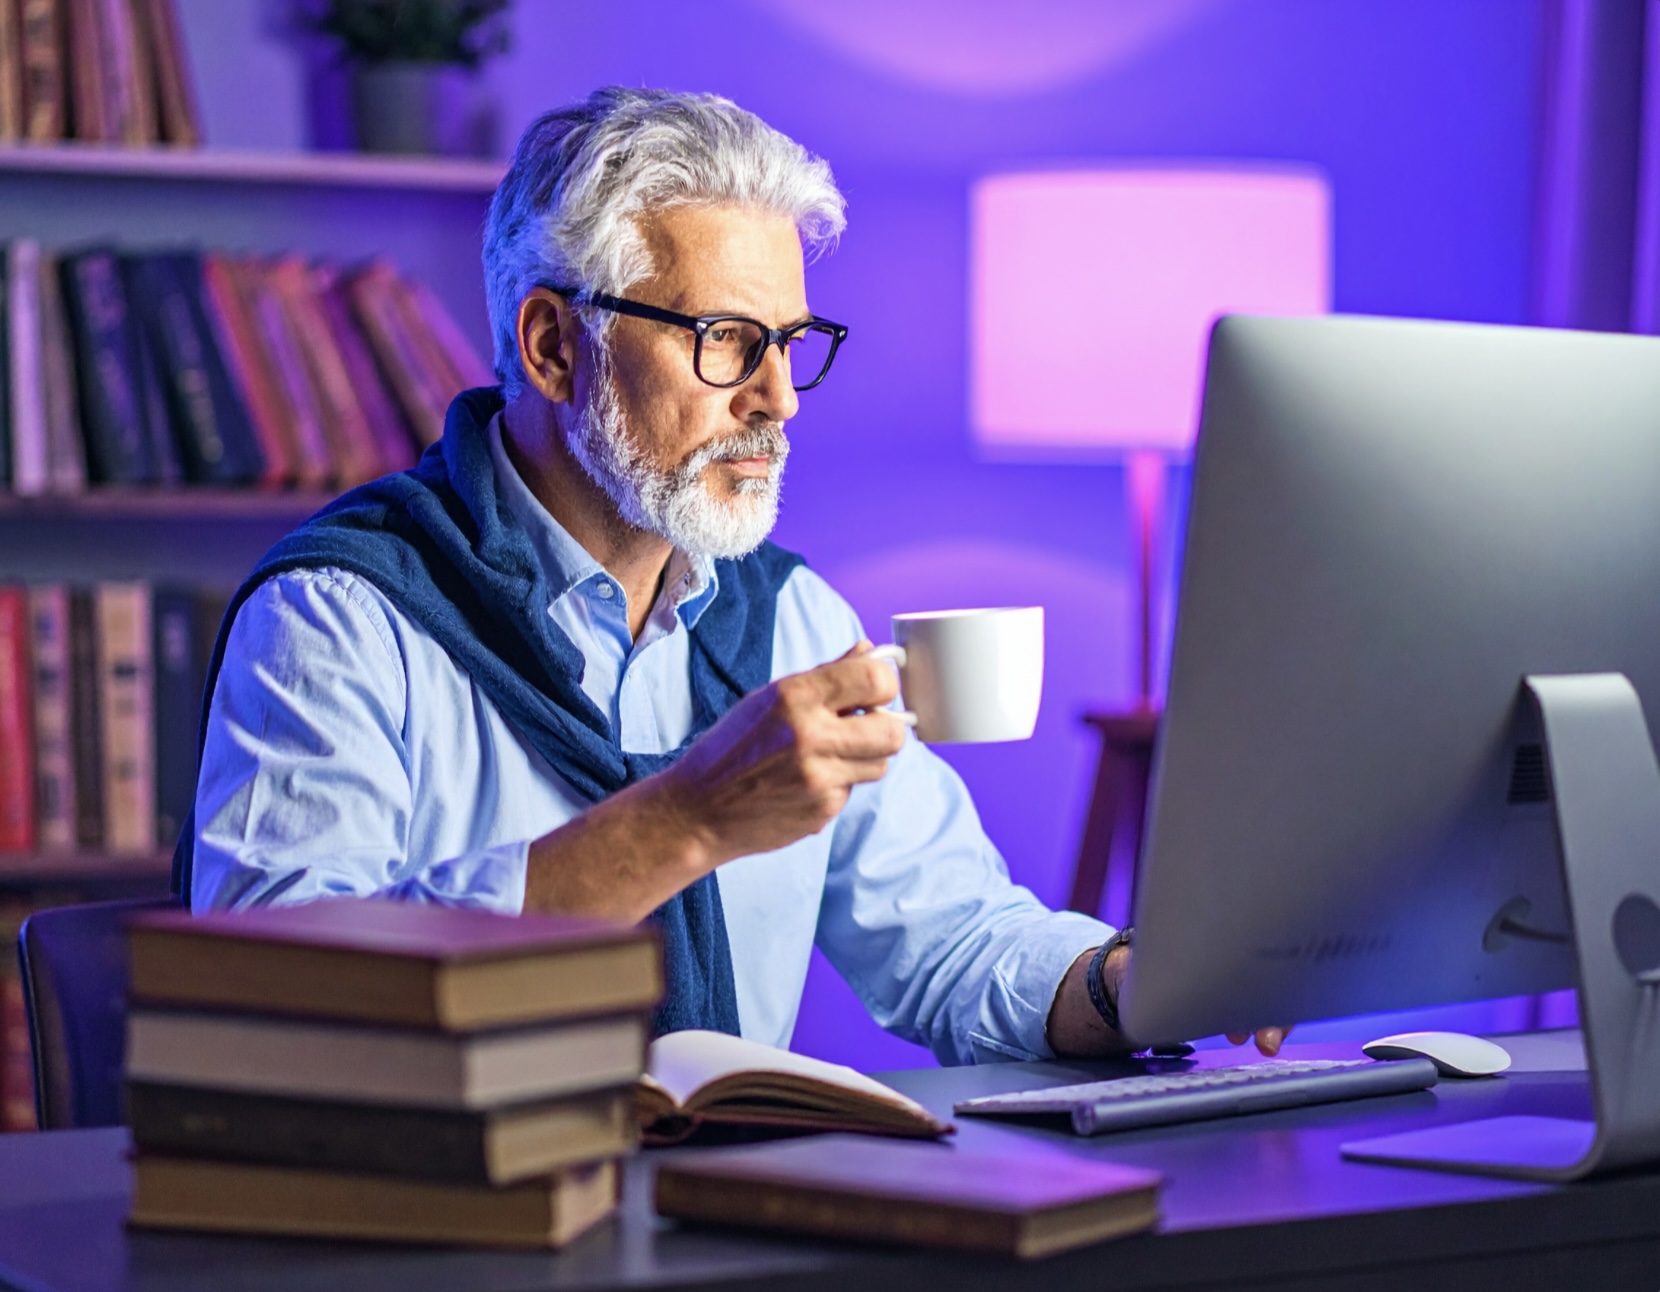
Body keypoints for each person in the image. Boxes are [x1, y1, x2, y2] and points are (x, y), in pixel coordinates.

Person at [185, 86, 1285, 1064]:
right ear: (553, 346)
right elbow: (284, 996)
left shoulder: (790, 619)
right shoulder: (339, 615)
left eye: (789, 342)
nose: (778, 398)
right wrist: (687, 818)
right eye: (723, 339)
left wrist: (1134, 983)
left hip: (728, 1227)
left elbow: (951, 938)